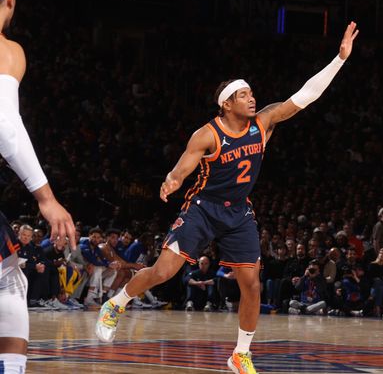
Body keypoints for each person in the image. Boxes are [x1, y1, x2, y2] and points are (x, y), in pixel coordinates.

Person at [94, 22, 359, 374]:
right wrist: (172, 180)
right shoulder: (207, 134)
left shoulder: (262, 123)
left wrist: (339, 60)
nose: (253, 98)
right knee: (163, 271)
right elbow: (182, 166)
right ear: (227, 103)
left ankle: (240, 354)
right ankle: (117, 302)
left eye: (252, 93)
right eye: (245, 94)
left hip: (238, 213)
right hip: (202, 209)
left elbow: (304, 97)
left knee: (252, 284)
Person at [0, 0, 77, 374]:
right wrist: (45, 197)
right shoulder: (7, 50)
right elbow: (4, 126)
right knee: (9, 284)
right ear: (10, 0)